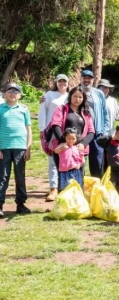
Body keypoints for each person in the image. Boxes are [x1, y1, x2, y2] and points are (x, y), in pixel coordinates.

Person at [49, 86, 95, 189]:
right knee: (63, 178)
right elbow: (56, 125)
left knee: (79, 177)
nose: (77, 99)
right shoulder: (61, 109)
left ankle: (78, 203)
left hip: (79, 150)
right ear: (70, 96)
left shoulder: (86, 112)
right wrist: (64, 142)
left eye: (80, 97)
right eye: (75, 96)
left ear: (83, 99)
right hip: (63, 149)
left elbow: (91, 131)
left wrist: (83, 144)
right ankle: (64, 203)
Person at [0, 83, 32, 217]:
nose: (12, 94)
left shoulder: (24, 109)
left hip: (20, 147)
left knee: (20, 177)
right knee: (3, 177)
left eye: (16, 91)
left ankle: (21, 204)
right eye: (9, 91)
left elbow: (29, 130)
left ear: (20, 95)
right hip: (4, 148)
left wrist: (28, 148)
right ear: (4, 93)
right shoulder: (0, 109)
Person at [37, 73, 69, 201]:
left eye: (64, 82)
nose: (62, 84)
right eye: (60, 82)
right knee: (52, 160)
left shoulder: (70, 95)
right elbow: (42, 112)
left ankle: (64, 187)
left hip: (67, 132)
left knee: (66, 159)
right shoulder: (49, 95)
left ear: (68, 83)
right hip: (52, 132)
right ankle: (53, 188)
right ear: (56, 83)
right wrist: (42, 129)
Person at [80, 70, 110, 178]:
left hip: (97, 133)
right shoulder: (76, 92)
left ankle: (96, 188)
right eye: (84, 78)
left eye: (89, 78)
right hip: (81, 134)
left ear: (93, 80)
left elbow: (105, 113)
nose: (86, 80)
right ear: (81, 79)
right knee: (79, 161)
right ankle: (80, 187)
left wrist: (105, 131)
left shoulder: (99, 93)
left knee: (97, 163)